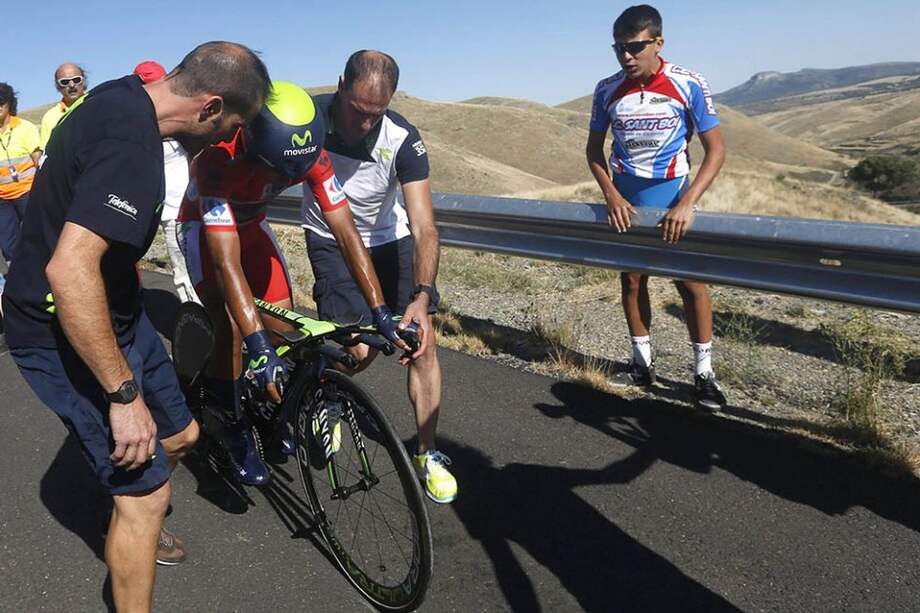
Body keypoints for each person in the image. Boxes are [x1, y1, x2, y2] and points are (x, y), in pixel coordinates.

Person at [2, 42, 271, 612]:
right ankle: (132, 511)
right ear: (209, 105)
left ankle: (126, 508)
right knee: (148, 497)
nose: (227, 140)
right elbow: (69, 271)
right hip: (58, 324)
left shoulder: (125, 95)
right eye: (231, 126)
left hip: (116, 307)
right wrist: (123, 396)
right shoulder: (133, 148)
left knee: (181, 437)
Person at [176, 81, 409, 486]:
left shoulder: (311, 154)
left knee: (284, 327)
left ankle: (268, 403)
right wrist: (255, 342)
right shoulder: (216, 160)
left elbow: (346, 231)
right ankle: (230, 421)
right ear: (250, 143)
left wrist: (380, 310)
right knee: (233, 324)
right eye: (277, 169)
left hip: (251, 227)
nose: (285, 179)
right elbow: (226, 262)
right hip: (205, 232)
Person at [302, 50, 457, 503]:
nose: (366, 123)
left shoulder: (403, 137)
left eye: (377, 113)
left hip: (389, 240)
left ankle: (428, 453)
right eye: (358, 110)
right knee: (359, 350)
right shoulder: (311, 119)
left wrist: (423, 295)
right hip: (330, 239)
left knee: (421, 341)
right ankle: (327, 398)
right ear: (340, 85)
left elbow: (425, 226)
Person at [585, 5, 728, 410]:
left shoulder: (689, 83)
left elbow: (715, 151)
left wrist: (687, 202)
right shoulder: (606, 88)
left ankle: (703, 376)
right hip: (626, 202)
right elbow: (594, 151)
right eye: (618, 49)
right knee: (632, 282)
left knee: (690, 284)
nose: (626, 57)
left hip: (673, 199)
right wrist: (611, 194)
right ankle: (641, 365)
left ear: (658, 43)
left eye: (634, 47)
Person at [134, 61, 198, 303]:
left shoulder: (181, 115)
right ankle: (197, 325)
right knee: (185, 271)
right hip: (166, 211)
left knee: (200, 268)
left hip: (191, 207)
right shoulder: (136, 123)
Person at [0, 83, 42, 295]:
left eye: (0, 103)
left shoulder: (25, 128)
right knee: (8, 245)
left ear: (8, 105)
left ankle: (44, 277)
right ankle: (22, 284)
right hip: (2, 200)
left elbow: (38, 161)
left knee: (37, 235)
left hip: (28, 193)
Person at [39, 63, 87, 149]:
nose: (71, 85)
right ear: (58, 87)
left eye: (76, 80)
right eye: (65, 82)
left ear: (83, 81)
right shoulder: (50, 118)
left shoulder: (99, 106)